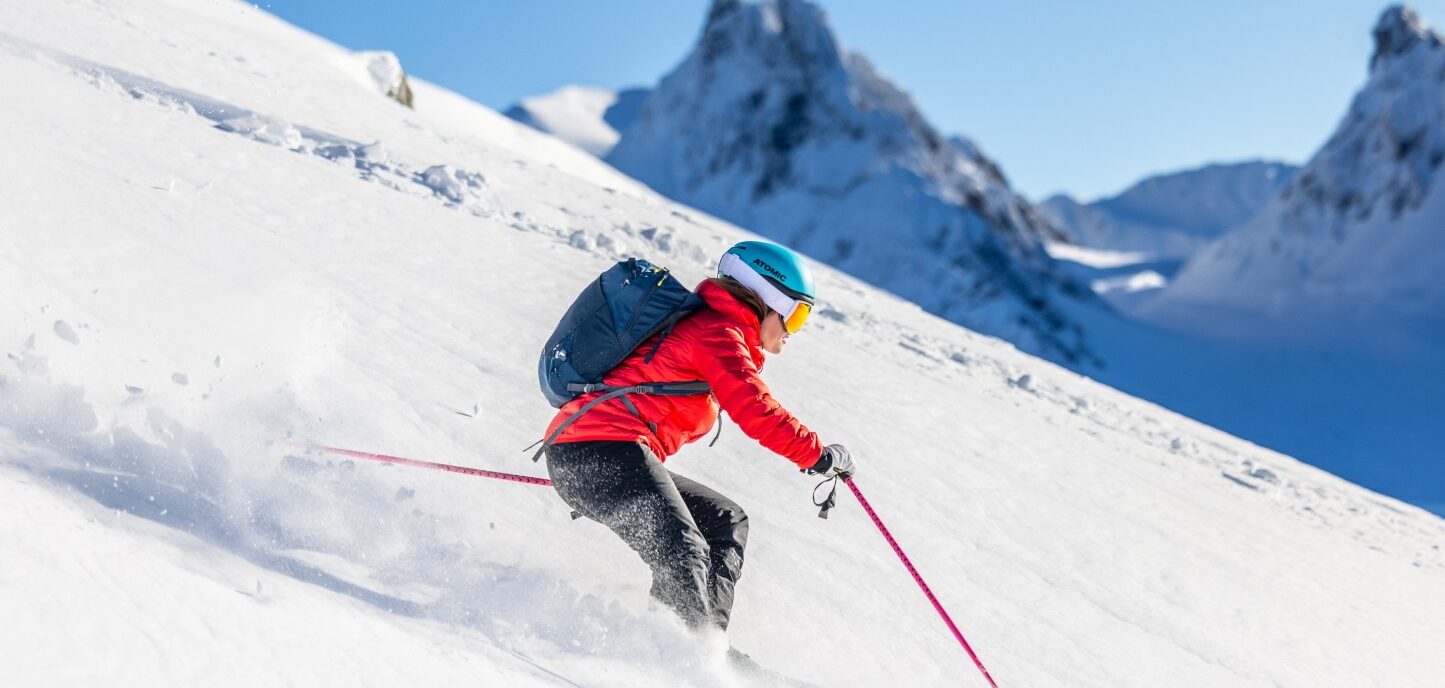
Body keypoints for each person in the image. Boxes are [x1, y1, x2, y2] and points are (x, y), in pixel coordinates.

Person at [541, 240, 857, 633]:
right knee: (682, 550)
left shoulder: (717, 329)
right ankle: (682, 657)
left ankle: (705, 642)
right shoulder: (717, 332)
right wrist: (818, 455)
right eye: (795, 316)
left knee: (725, 522)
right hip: (596, 453)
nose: (793, 331)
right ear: (766, 298)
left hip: (600, 453)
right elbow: (755, 408)